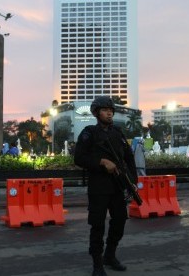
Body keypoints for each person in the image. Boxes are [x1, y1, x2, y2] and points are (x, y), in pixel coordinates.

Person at [74, 96, 138, 276]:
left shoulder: (117, 133)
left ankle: (110, 256)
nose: (109, 112)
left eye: (111, 109)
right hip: (99, 188)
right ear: (96, 113)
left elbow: (129, 158)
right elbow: (79, 158)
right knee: (97, 225)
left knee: (119, 221)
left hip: (118, 186)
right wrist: (101, 161)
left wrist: (133, 181)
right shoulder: (89, 133)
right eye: (104, 110)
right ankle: (97, 263)